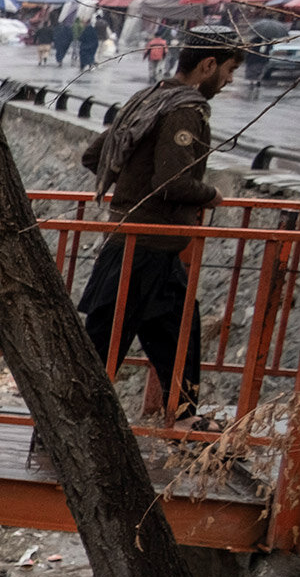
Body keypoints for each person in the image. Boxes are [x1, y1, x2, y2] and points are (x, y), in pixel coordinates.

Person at [76, 26, 239, 427]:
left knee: (179, 330)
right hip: (145, 247)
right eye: (229, 70)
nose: (230, 80)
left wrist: (128, 192)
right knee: (104, 344)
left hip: (148, 245)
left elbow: (95, 155)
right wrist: (210, 195)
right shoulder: (186, 109)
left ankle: (184, 416)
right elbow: (172, 183)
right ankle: (68, 428)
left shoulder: (148, 97)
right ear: (208, 65)